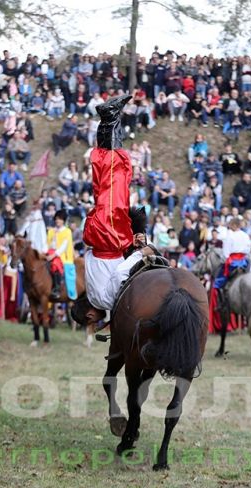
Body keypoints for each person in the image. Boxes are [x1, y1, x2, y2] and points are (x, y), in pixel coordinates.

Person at [72, 94, 154, 327]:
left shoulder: (104, 301)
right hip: (98, 239)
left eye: (93, 322)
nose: (97, 322)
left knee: (115, 176)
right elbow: (89, 259)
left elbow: (119, 275)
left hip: (110, 237)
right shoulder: (90, 288)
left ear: (90, 315)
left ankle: (109, 118)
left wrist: (140, 254)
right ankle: (110, 118)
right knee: (105, 178)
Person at [45, 209, 74, 299]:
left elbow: (63, 247)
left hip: (61, 256)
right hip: (49, 253)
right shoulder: (51, 231)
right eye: (56, 219)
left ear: (63, 220)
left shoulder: (67, 231)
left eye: (60, 219)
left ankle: (57, 288)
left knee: (55, 264)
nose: (58, 221)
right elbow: (47, 243)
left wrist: (53, 255)